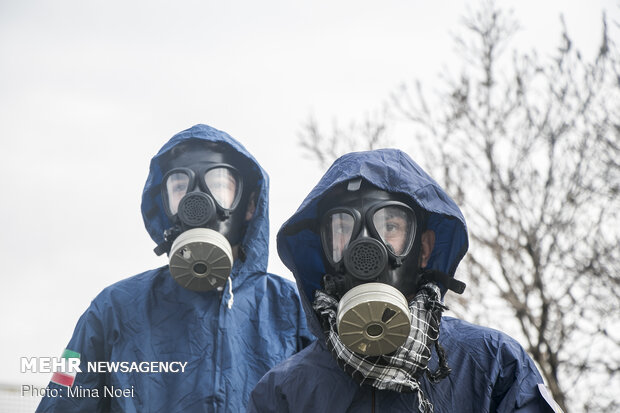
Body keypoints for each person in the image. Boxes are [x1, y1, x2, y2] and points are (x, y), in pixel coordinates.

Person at [248, 149, 560, 412]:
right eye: (343, 229)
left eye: (390, 227)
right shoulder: (285, 394)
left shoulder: (492, 365)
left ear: (423, 248)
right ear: (324, 253)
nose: (366, 250)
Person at [36, 124, 313, 413]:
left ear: (249, 205)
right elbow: (62, 396)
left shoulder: (293, 310)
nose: (197, 203)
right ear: (164, 205)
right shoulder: (112, 309)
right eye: (180, 187)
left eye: (218, 185)